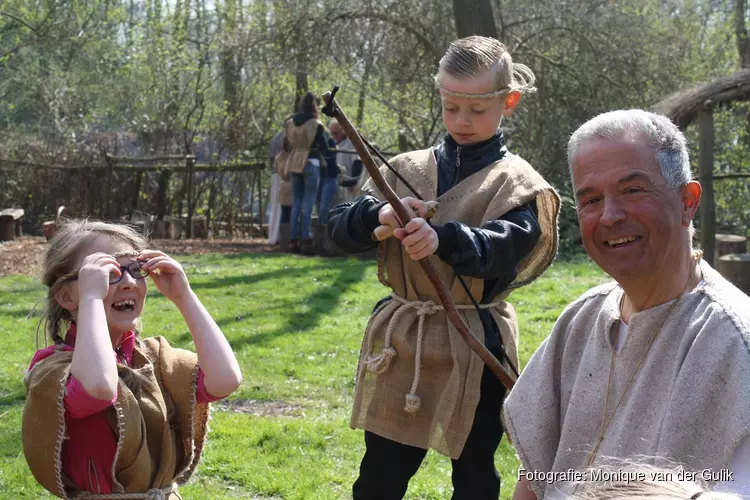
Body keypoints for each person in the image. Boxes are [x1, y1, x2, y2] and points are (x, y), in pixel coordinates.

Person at [328, 36, 560, 499]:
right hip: (404, 339)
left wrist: (444, 238)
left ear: (508, 101)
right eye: (452, 107)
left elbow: (507, 245)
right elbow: (336, 227)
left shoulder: (518, 183)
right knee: (380, 475)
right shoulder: (406, 168)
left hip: (476, 339)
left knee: (474, 474)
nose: (462, 121)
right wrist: (380, 216)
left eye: (476, 110)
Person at [503, 110, 750, 500]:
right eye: (591, 200)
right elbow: (536, 472)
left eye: (633, 191)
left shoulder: (733, 343)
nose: (611, 216)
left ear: (687, 201)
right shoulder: (578, 322)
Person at [23, 219, 242, 498]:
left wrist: (184, 296)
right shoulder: (55, 371)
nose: (128, 282)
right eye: (108, 273)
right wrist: (91, 297)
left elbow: (225, 380)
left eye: (135, 270)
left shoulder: (153, 359)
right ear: (66, 296)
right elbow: (99, 388)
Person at [278, 92, 336, 255]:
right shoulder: (314, 124)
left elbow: (287, 144)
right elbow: (323, 145)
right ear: (314, 106)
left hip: (294, 162)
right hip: (311, 162)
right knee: (308, 203)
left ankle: (292, 239)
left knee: (296, 201)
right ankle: (306, 239)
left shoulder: (289, 123)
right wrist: (330, 155)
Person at [328, 118, 364, 202]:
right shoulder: (332, 143)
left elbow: (357, 162)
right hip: (337, 181)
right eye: (331, 133)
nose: (333, 136)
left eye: (336, 133)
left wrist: (352, 182)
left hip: (350, 183)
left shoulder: (351, 142)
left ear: (343, 131)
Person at [267, 127, 286, 245]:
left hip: (276, 174)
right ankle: (278, 236)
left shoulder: (276, 137)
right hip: (283, 174)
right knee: (281, 204)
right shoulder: (287, 136)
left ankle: (274, 235)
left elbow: (270, 158)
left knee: (275, 205)